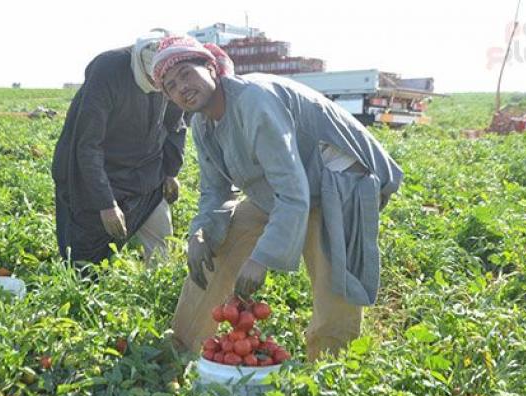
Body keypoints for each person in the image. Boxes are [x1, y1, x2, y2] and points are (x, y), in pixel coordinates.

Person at [151, 36, 403, 360]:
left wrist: (262, 257)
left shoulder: (253, 101)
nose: (181, 87)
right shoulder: (202, 125)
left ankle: (330, 372)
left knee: (334, 283)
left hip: (335, 181)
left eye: (186, 73)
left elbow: (293, 187)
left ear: (211, 68)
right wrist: (200, 232)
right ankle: (181, 349)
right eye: (171, 85)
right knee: (217, 246)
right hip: (279, 190)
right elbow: (215, 190)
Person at [52, 31, 186, 265]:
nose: (163, 89)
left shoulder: (170, 71)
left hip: (146, 172)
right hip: (97, 175)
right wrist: (105, 203)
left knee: (161, 250)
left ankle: (156, 293)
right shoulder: (109, 70)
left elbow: (175, 124)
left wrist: (170, 171)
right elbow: (88, 145)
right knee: (86, 262)